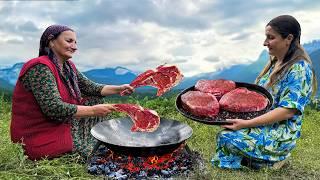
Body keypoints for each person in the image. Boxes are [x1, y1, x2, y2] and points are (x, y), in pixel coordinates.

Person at [10, 25, 134, 161]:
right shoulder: (40, 67)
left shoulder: (68, 67)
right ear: (51, 41)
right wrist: (93, 111)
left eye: (75, 43)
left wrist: (119, 88)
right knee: (93, 106)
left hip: (58, 125)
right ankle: (77, 148)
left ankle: (87, 145)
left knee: (94, 98)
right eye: (69, 41)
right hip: (37, 134)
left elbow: (91, 88)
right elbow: (53, 108)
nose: (74, 47)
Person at [211, 15, 317, 169]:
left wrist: (246, 124)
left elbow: (287, 111)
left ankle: (271, 161)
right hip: (263, 124)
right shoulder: (274, 62)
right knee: (226, 132)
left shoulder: (299, 68)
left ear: (288, 38)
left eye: (270, 37)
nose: (264, 43)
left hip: (280, 133)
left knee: (227, 137)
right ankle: (254, 160)